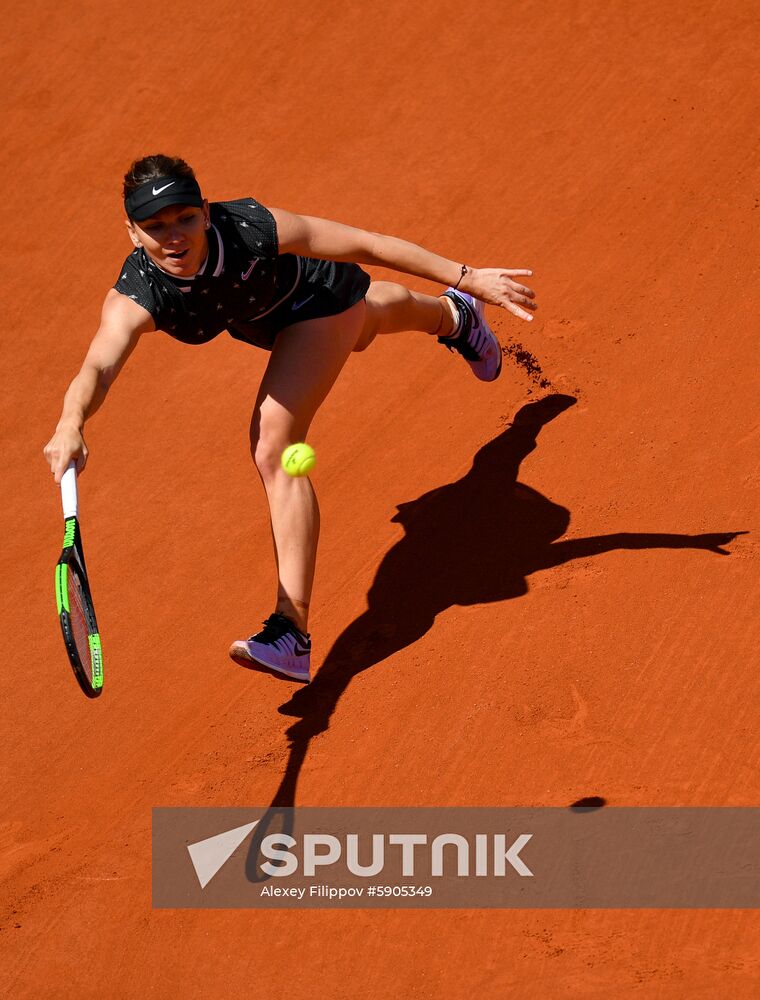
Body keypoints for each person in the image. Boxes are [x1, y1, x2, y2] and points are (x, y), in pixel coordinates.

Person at [43, 153, 538, 684]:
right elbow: (98, 363)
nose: (175, 237)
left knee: (274, 444)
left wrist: (469, 274)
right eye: (155, 226)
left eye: (186, 218)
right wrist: (71, 422)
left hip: (319, 298)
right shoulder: (136, 296)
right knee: (370, 322)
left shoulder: (253, 228)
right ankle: (455, 315)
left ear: (206, 212)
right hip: (267, 320)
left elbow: (368, 244)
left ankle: (291, 628)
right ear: (132, 232)